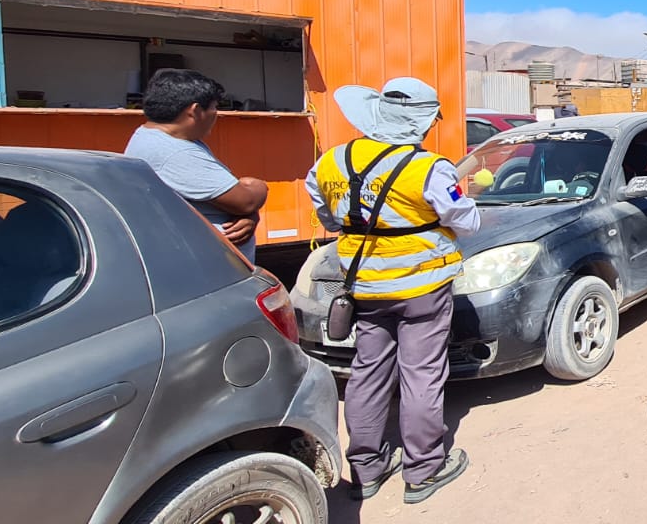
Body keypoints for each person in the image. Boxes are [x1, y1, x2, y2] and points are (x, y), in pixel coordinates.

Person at [304, 76, 480, 505]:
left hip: (364, 285)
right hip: (422, 286)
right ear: (420, 122)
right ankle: (423, 469)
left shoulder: (331, 161)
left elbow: (328, 217)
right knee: (421, 372)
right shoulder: (428, 167)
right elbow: (466, 220)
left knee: (369, 370)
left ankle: (366, 468)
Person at [124, 69, 267, 263]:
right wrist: (259, 187)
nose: (217, 114)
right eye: (215, 107)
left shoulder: (157, 137)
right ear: (195, 111)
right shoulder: (175, 152)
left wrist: (250, 215)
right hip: (211, 270)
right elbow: (245, 201)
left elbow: (237, 202)